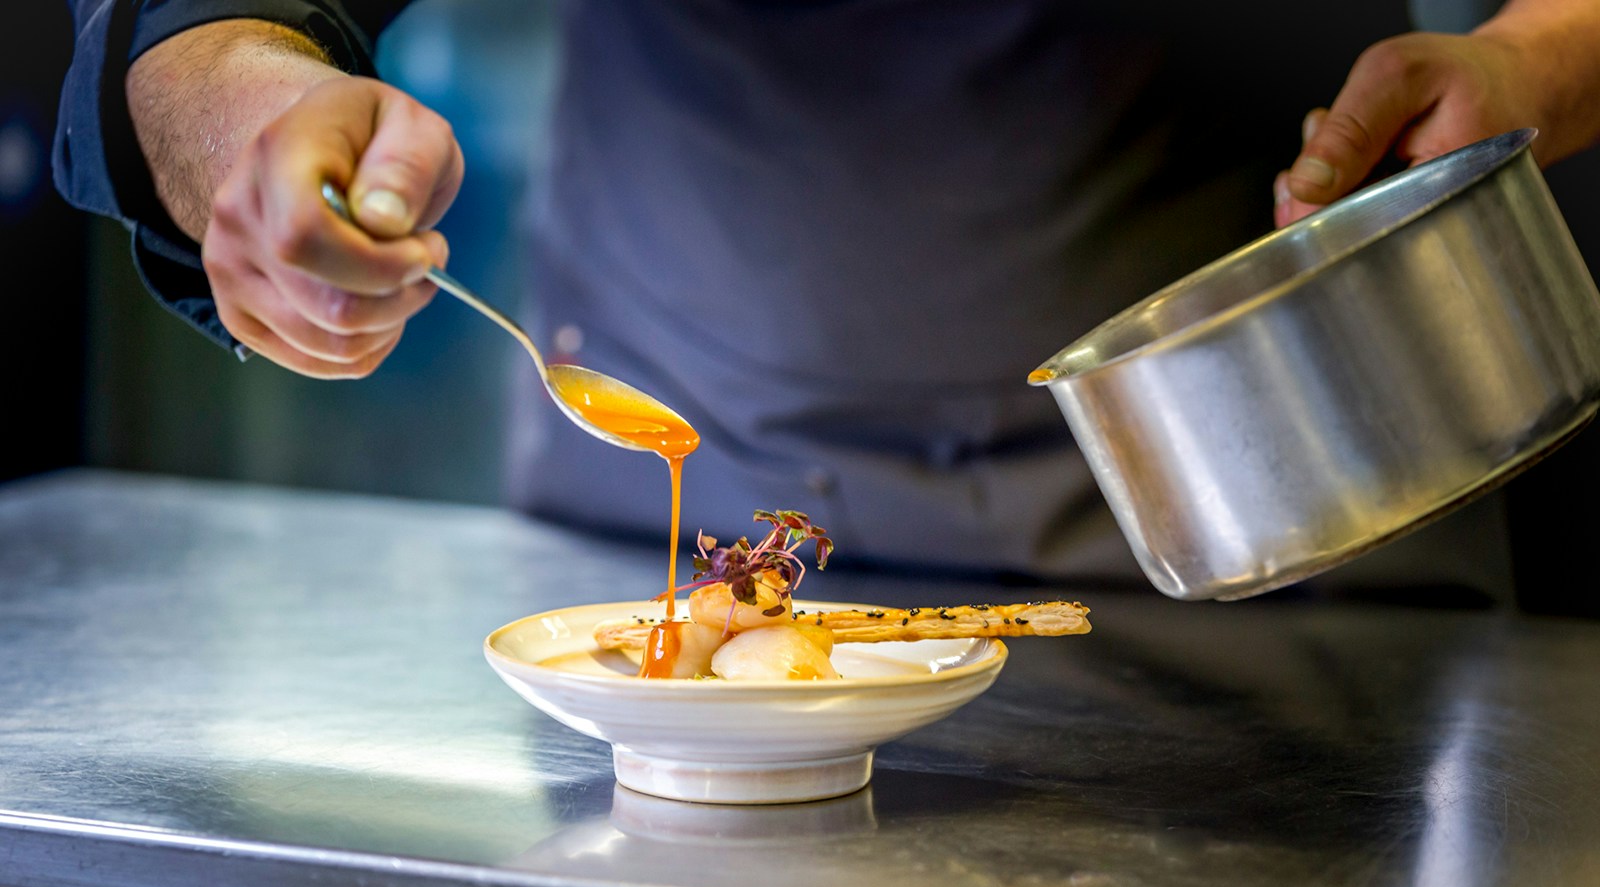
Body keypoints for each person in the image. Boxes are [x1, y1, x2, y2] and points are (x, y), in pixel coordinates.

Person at [55, 0, 1600, 598]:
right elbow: (205, 23)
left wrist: (1535, 57)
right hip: (665, 535)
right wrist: (244, 105)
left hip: (1283, 501)